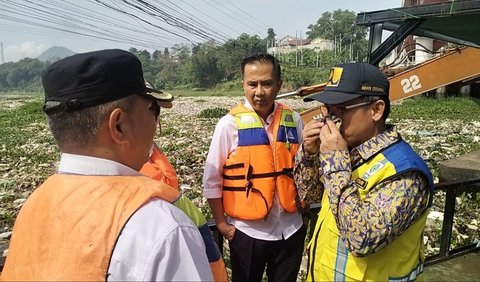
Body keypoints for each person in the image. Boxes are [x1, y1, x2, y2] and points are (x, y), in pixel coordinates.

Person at [0, 49, 213, 281]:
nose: (155, 123)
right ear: (119, 125)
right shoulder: (162, 227)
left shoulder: (34, 205)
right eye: (152, 110)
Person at [294, 62, 434, 281]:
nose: (330, 120)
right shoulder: (348, 152)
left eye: (340, 110)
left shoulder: (405, 173)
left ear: (376, 110)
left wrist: (335, 161)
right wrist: (310, 155)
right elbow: (309, 196)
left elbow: (362, 239)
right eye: (326, 111)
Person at [203, 53, 307, 282]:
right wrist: (222, 225)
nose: (259, 91)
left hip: (290, 228)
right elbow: (212, 179)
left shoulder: (294, 119)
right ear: (243, 84)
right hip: (248, 232)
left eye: (267, 83)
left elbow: (303, 169)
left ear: (279, 84)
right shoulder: (228, 124)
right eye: (253, 84)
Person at [139, 87, 228, 282]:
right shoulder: (123, 166)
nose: (155, 120)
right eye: (150, 111)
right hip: (162, 242)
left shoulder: (151, 150)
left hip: (186, 234)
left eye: (155, 112)